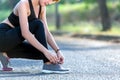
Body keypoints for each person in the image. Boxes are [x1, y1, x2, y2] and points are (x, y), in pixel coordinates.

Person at [0, 0, 69, 73]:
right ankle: (48, 64)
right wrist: (46, 52)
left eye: (53, 2)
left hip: (12, 44)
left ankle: (5, 53)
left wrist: (57, 51)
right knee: (38, 24)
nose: (49, 3)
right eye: (51, 0)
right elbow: (25, 33)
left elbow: (47, 32)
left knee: (41, 52)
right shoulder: (23, 4)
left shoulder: (42, 7)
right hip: (3, 36)